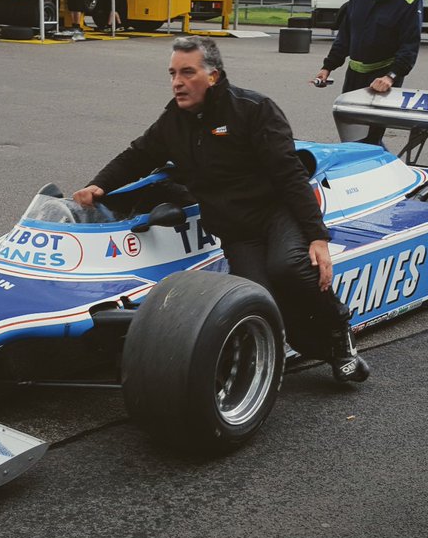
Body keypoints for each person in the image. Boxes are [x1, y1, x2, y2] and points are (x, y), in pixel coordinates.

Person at [73, 37, 370, 381]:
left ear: (212, 76)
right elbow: (137, 155)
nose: (177, 83)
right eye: (172, 73)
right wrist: (99, 184)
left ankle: (340, 333)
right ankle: (300, 348)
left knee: (289, 268)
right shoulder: (173, 121)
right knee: (257, 300)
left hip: (277, 214)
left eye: (187, 72)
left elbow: (290, 175)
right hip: (236, 230)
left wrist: (317, 237)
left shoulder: (254, 109)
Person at [311, 0, 422, 145]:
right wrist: (328, 67)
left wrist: (391, 76)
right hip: (354, 75)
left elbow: (410, 45)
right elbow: (346, 33)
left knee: (369, 138)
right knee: (351, 134)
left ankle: (383, 173)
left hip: (381, 78)